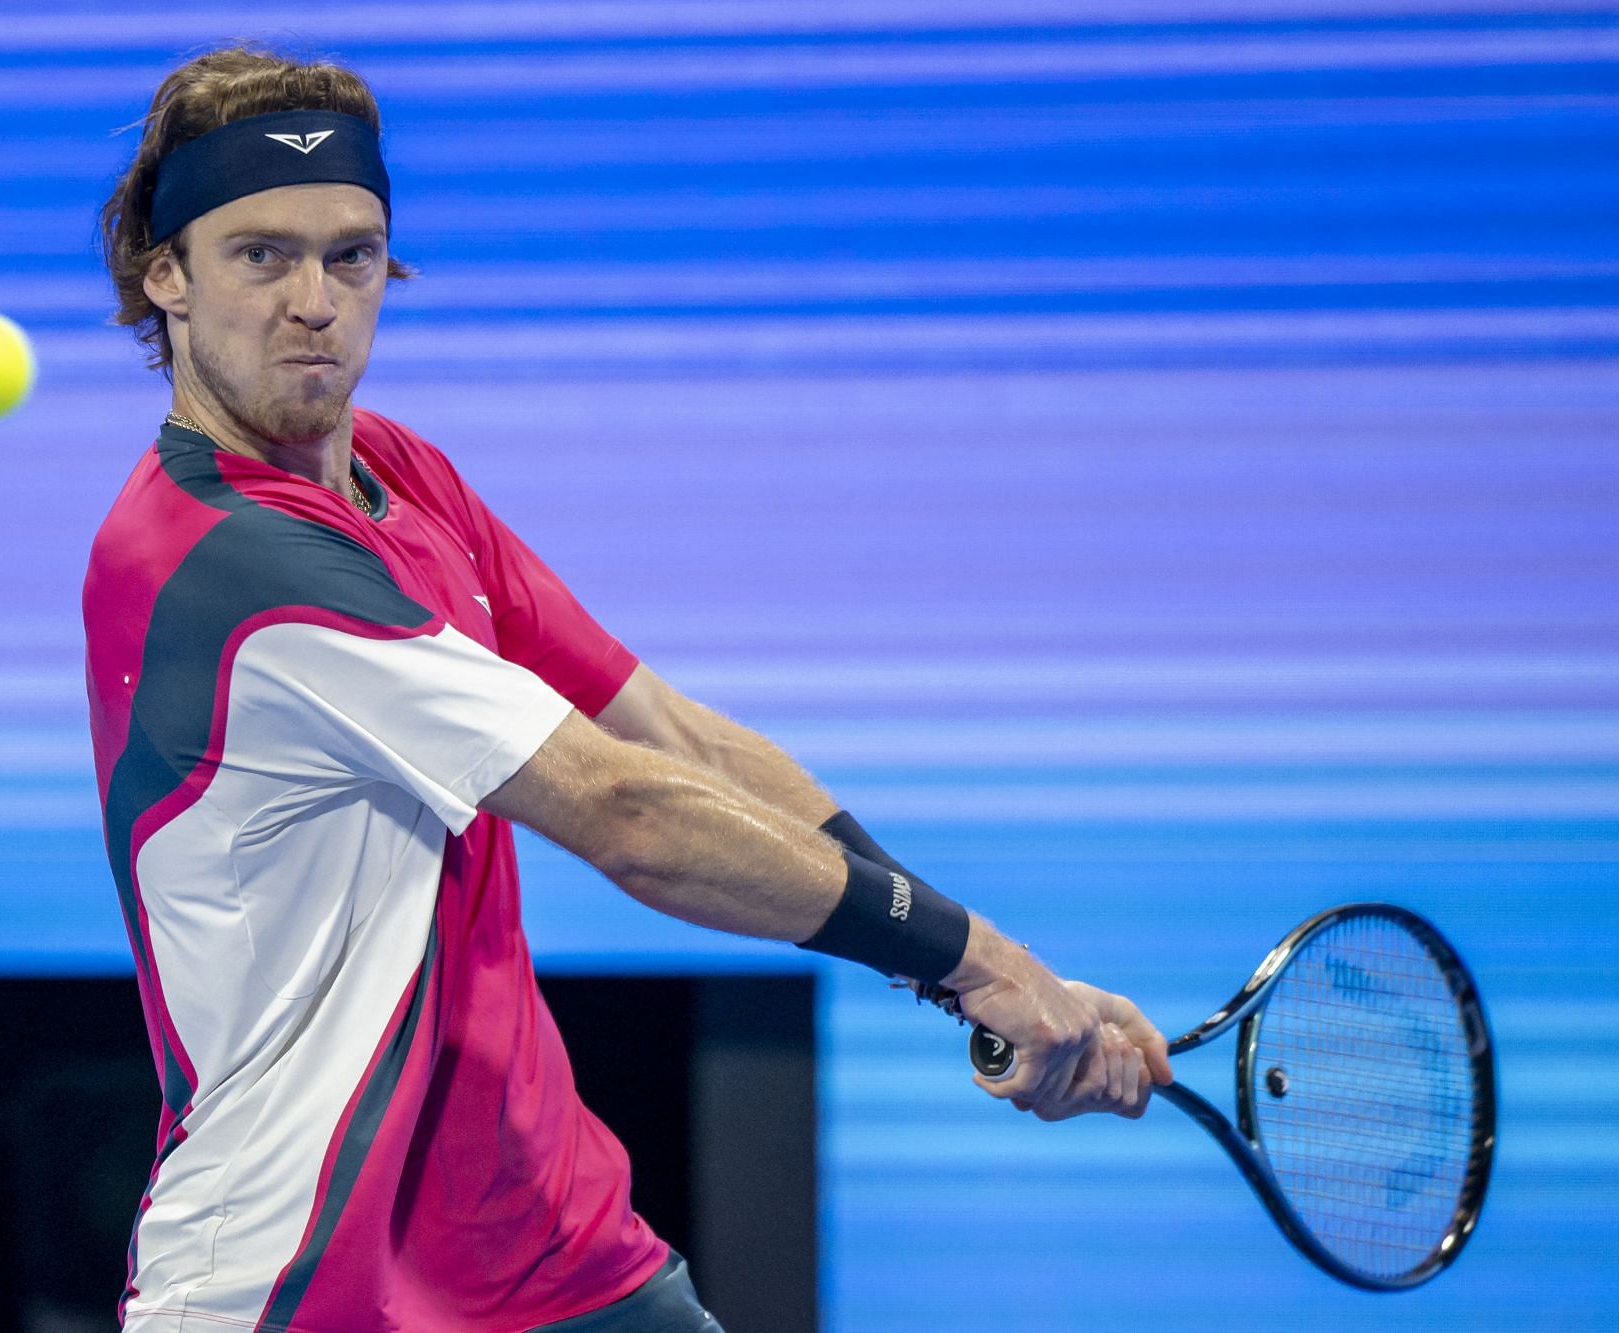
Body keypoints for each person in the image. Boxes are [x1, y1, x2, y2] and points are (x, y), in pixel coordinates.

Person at [86, 44, 1173, 1333]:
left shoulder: (395, 472)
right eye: (260, 254)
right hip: (303, 1284)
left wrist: (972, 966)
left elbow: (667, 735)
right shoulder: (219, 557)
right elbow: (629, 814)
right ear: (167, 277)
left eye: (352, 255)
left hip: (554, 1254)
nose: (315, 300)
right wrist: (987, 965)